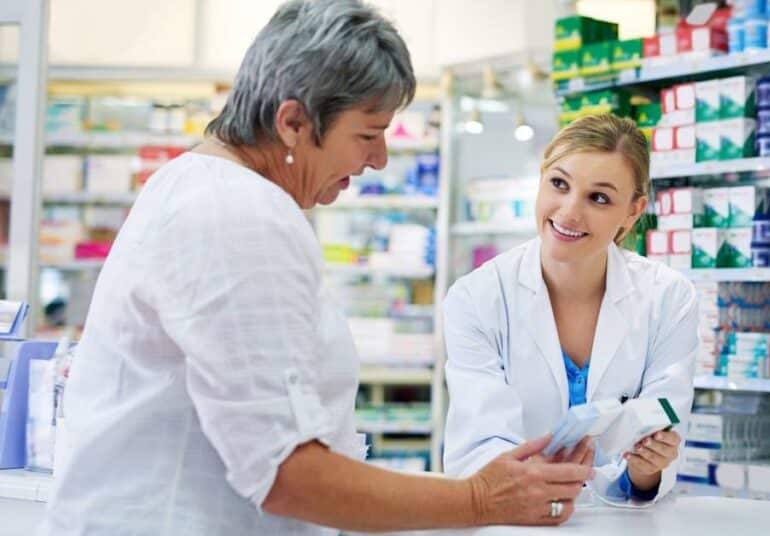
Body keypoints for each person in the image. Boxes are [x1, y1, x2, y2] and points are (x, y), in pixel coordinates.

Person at [40, 1, 591, 534]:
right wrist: (480, 498)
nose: (378, 159)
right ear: (294, 123)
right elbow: (285, 473)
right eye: (368, 135)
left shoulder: (208, 188)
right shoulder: (236, 213)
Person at [443, 114, 699, 506]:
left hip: (621, 524)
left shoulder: (668, 298)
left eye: (599, 198)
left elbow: (659, 444)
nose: (569, 212)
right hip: (512, 520)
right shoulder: (477, 298)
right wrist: (535, 478)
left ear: (633, 211)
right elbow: (478, 442)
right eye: (559, 184)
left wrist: (646, 467)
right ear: (541, 179)